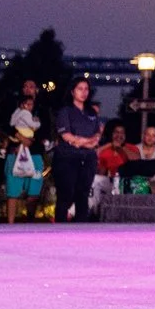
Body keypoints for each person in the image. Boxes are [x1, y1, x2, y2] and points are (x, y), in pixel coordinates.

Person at [50, 79, 103, 222]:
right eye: (80, 88)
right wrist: (86, 141)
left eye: (86, 89)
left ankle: (81, 228)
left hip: (88, 159)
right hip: (67, 158)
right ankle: (60, 228)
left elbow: (97, 134)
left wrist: (85, 142)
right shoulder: (65, 111)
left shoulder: (91, 112)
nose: (84, 92)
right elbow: (67, 136)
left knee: (83, 194)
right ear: (73, 91)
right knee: (66, 194)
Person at [2, 124, 46, 222]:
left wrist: (29, 141)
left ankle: (30, 224)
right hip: (14, 154)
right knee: (12, 192)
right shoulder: (12, 110)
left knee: (33, 192)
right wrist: (21, 140)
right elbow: (6, 125)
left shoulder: (41, 110)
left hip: (35, 154)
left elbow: (44, 130)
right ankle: (10, 226)